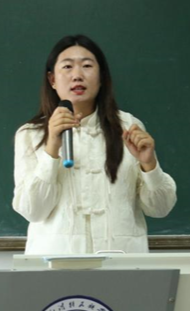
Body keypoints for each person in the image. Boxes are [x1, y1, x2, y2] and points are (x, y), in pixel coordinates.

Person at [12, 35, 177, 255]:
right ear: (52, 80)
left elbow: (160, 208)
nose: (77, 75)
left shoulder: (129, 127)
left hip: (121, 261)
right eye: (67, 67)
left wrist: (149, 164)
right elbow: (33, 211)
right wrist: (51, 148)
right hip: (57, 263)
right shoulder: (31, 134)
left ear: (101, 78)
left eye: (87, 66)